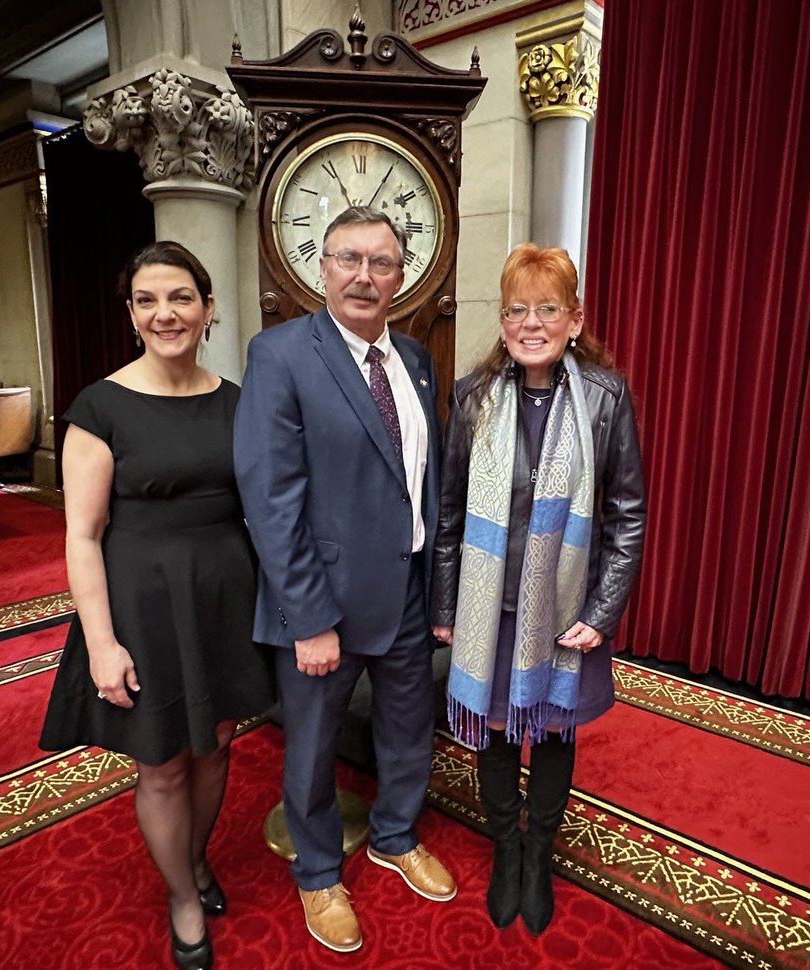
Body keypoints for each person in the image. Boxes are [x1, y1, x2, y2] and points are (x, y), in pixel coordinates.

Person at [38, 241, 274, 970]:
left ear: (209, 309)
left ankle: (196, 860)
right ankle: (181, 894)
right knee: (162, 763)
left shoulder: (238, 400)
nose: (164, 313)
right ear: (132, 314)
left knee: (215, 743)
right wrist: (101, 643)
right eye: (147, 300)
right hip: (143, 603)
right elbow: (82, 537)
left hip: (224, 599)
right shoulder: (101, 407)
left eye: (180, 298)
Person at [234, 206, 455, 954]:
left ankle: (394, 835)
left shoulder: (417, 360)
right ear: (320, 268)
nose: (365, 275)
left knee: (406, 731)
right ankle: (319, 873)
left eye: (382, 262)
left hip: (408, 593)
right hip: (322, 606)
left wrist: (438, 589)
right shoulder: (280, 354)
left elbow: (419, 482)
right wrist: (309, 617)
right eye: (349, 259)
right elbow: (271, 498)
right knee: (313, 748)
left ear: (402, 276)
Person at [430, 244, 646, 935]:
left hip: (564, 610)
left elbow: (628, 515)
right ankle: (507, 850)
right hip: (485, 610)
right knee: (495, 734)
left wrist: (601, 611)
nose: (531, 322)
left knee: (551, 733)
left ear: (574, 320)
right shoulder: (472, 397)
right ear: (502, 320)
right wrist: (443, 605)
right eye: (518, 309)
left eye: (547, 309)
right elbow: (450, 511)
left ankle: (540, 855)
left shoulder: (607, 400)